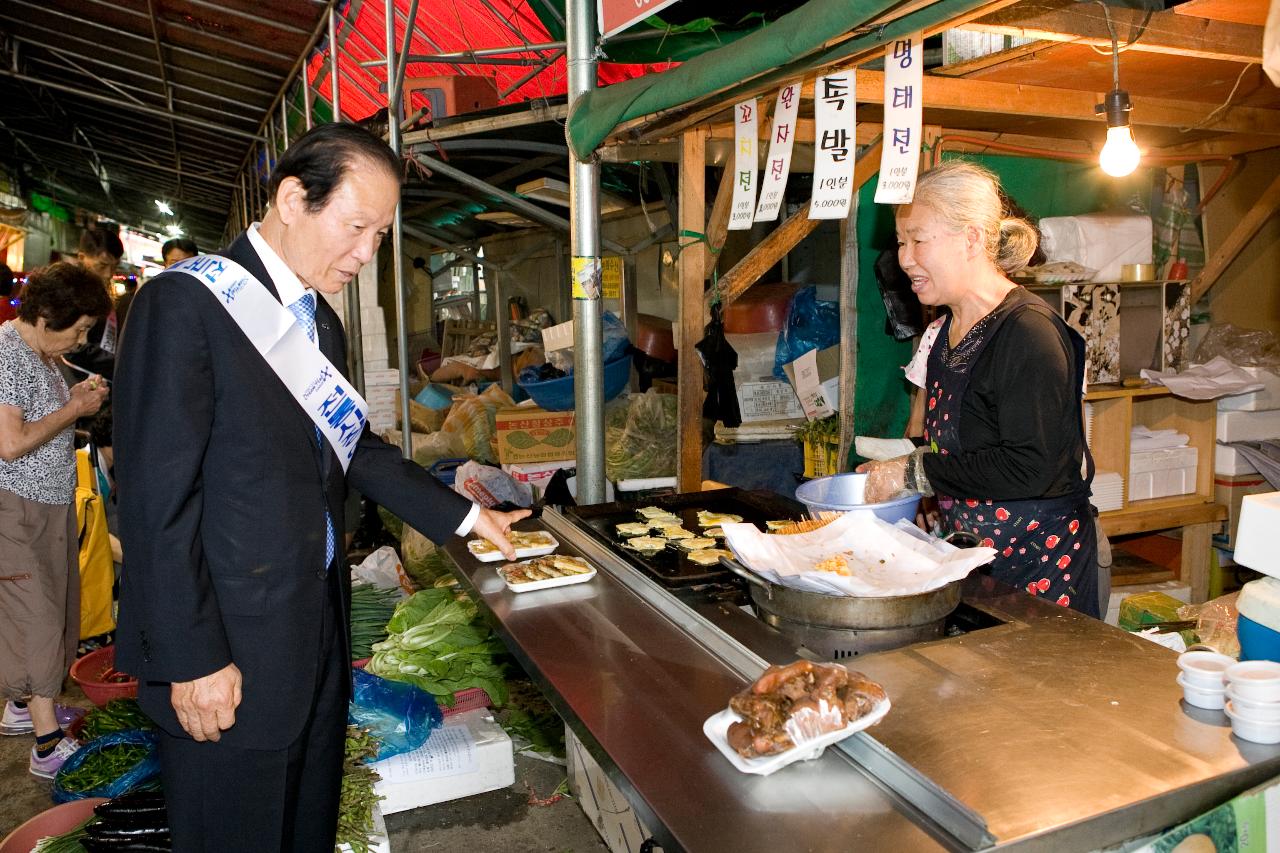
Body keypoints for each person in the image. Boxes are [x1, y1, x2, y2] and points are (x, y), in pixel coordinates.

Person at [113, 122, 528, 852]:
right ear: (293, 197)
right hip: (226, 661)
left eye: (381, 233)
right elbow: (154, 504)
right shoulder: (184, 306)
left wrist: (464, 516)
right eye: (357, 226)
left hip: (315, 645)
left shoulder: (320, 324)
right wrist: (192, 659)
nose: (368, 253)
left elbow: (352, 449)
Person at [861, 160, 1100, 618]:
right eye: (899, 242)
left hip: (1040, 566)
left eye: (917, 240)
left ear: (970, 238)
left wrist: (912, 474)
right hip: (973, 559)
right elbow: (961, 446)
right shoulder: (946, 332)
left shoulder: (1027, 332)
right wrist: (931, 497)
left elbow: (1033, 464)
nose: (905, 258)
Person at [0, 262, 111, 776]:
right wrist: (73, 411)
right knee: (36, 616)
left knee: (50, 609)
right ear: (45, 316)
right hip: (14, 507)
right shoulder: (8, 353)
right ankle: (46, 746)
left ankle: (22, 707)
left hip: (48, 503)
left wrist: (75, 404)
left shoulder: (43, 356)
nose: (82, 338)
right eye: (80, 327)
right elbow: (10, 444)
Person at [64, 226, 123, 381]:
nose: (109, 274)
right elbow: (73, 347)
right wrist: (119, 366)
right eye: (102, 266)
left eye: (114, 267)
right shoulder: (68, 291)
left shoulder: (99, 292)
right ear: (82, 257)